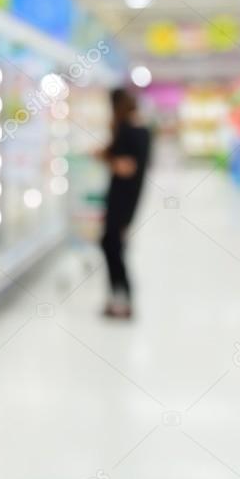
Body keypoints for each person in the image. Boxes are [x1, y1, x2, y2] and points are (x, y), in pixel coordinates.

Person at [97, 88, 151, 319]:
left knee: (111, 244)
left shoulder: (128, 130)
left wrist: (105, 156)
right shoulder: (142, 130)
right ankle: (120, 295)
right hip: (131, 196)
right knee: (113, 243)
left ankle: (122, 294)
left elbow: (125, 166)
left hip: (121, 196)